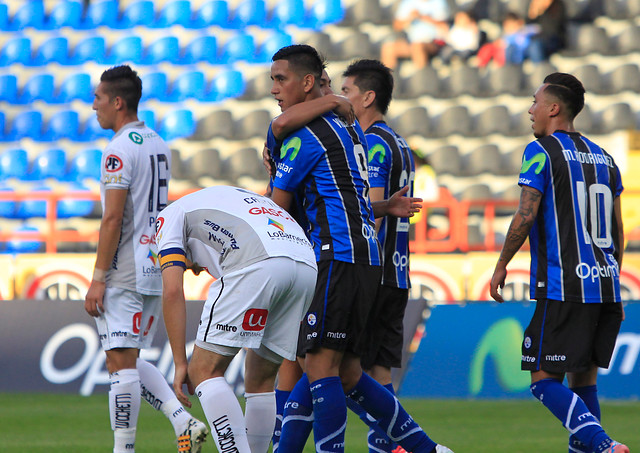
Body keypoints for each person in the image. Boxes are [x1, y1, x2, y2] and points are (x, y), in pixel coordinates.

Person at [269, 44, 452, 453]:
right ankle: (427, 449)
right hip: (367, 255)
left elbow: (276, 207)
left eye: (280, 79)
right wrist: (385, 206)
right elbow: (343, 195)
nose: (274, 89)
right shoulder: (349, 128)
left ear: (308, 82)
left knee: (316, 366)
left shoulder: (309, 132)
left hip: (336, 255)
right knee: (346, 372)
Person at [489, 72, 628, 453]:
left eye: (535, 102)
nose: (529, 110)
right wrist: (609, 278)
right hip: (603, 284)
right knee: (584, 382)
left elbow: (526, 214)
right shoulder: (606, 158)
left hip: (563, 284)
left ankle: (602, 444)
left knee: (542, 379)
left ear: (553, 108)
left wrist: (501, 264)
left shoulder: (542, 150)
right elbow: (619, 233)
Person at [84, 65, 208, 453]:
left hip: (126, 267)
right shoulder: (157, 141)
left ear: (118, 102)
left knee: (119, 365)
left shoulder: (118, 150)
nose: (94, 107)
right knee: (129, 358)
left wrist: (99, 276)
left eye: (99, 99)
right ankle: (182, 420)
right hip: (156, 262)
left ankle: (124, 449)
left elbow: (113, 217)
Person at [157, 185, 318, 453]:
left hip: (256, 262)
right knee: (261, 379)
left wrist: (179, 362)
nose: (195, 271)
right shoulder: (226, 196)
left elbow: (172, 290)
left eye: (188, 266)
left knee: (203, 371)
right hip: (305, 265)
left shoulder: (169, 215)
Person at [339, 58, 418, 453]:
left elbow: (367, 209)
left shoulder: (371, 143)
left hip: (372, 273)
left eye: (347, 90)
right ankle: (388, 447)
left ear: (367, 97)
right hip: (398, 273)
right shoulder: (400, 143)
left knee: (335, 370)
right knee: (378, 371)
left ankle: (399, 440)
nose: (340, 97)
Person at [380, 0, 450, 69]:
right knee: (389, 48)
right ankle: (388, 77)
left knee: (417, 47)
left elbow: (444, 26)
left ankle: (421, 77)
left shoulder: (438, 2)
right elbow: (397, 26)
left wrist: (422, 17)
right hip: (411, 42)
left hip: (433, 43)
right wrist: (410, 18)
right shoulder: (407, 2)